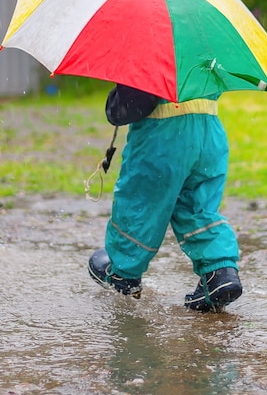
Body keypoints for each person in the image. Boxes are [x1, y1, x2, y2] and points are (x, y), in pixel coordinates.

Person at [88, 83, 242, 312]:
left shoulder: (149, 55)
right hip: (209, 133)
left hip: (163, 135)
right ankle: (219, 272)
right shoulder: (201, 48)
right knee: (197, 207)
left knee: (140, 202)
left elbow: (133, 104)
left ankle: (123, 272)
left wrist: (115, 104)